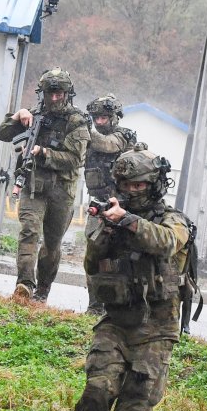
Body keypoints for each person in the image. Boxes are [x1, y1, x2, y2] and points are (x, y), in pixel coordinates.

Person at [73, 146, 190, 411]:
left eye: (138, 185)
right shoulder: (110, 216)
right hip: (117, 323)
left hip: (156, 329)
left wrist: (129, 221)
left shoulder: (174, 219)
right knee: (95, 394)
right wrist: (106, 231)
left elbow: (167, 242)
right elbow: (92, 265)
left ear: (152, 184)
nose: (130, 191)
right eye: (125, 184)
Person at [0, 67, 90, 303]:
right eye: (50, 93)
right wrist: (17, 117)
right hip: (33, 186)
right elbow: (4, 133)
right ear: (43, 93)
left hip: (62, 191)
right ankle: (24, 284)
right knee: (29, 232)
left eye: (59, 93)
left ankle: (42, 291)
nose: (54, 98)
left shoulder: (77, 122)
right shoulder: (33, 115)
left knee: (52, 244)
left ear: (67, 93)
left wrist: (42, 152)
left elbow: (74, 159)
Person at [83, 94, 137, 315]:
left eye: (104, 117)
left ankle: (115, 307)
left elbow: (106, 145)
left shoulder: (123, 136)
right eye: (95, 117)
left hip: (121, 207)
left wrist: (84, 129)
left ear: (114, 117)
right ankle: (94, 305)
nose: (99, 121)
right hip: (97, 206)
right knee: (93, 254)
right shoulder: (90, 137)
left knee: (118, 257)